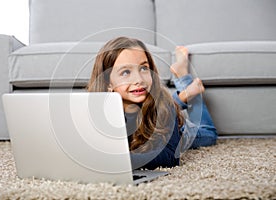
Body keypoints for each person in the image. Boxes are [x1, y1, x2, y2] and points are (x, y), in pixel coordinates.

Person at [87, 37, 217, 170]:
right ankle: (183, 96)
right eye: (125, 72)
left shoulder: (162, 104)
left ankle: (186, 83)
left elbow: (170, 156)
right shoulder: (97, 110)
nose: (139, 79)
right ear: (108, 83)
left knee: (209, 134)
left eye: (144, 68)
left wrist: (119, 160)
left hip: (178, 131)